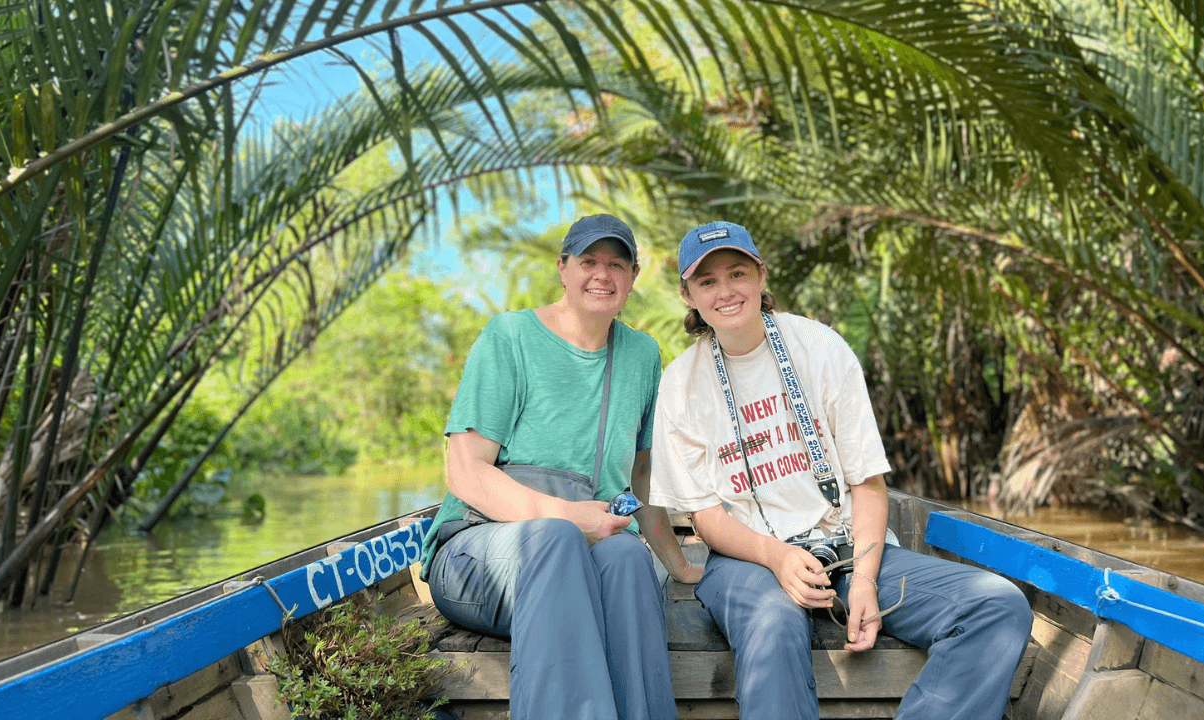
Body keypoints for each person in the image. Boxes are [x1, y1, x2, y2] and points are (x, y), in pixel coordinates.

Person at [649, 220, 1033, 720]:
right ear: (688, 294)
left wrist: (868, 581)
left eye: (737, 273)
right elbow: (705, 517)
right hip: (748, 559)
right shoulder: (680, 383)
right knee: (772, 624)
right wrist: (777, 557)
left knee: (998, 606)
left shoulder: (821, 347)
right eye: (707, 281)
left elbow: (866, 482)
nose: (726, 291)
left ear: (761, 276)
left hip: (852, 548)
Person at [419, 213, 702, 720]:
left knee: (631, 562)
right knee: (557, 540)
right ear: (563, 269)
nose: (603, 274)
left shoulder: (640, 355)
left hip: (581, 552)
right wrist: (570, 517)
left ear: (634, 277)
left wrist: (677, 564)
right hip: (478, 553)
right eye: (589, 260)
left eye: (618, 264)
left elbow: (643, 475)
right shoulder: (509, 337)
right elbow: (466, 472)